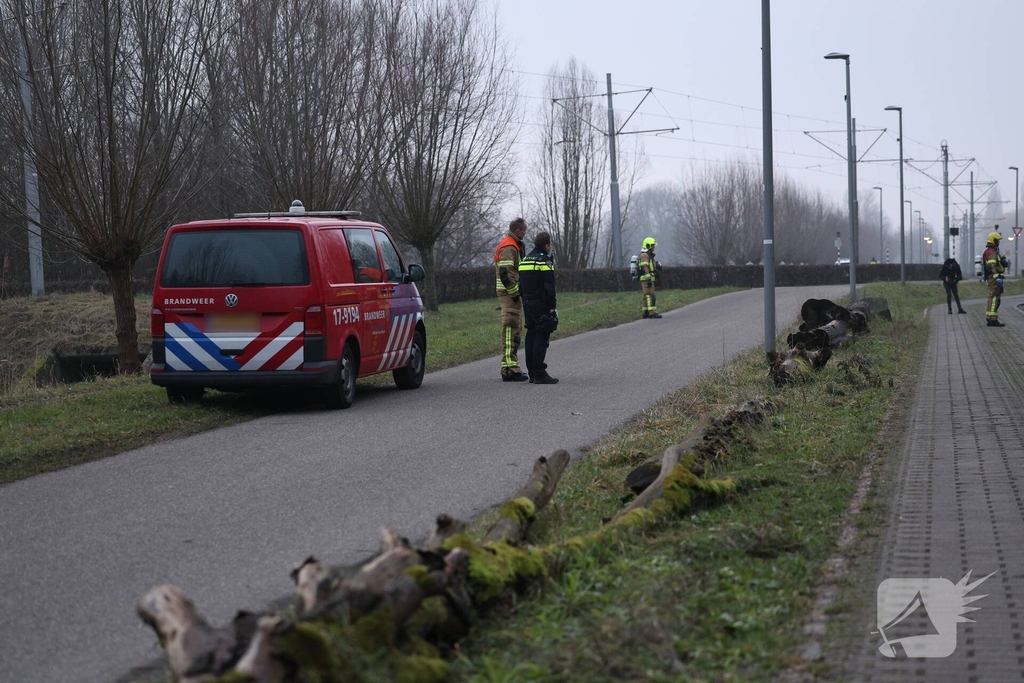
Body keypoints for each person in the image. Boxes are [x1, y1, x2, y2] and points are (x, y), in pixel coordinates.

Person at [519, 231, 558, 384]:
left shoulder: (525, 261)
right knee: (542, 336)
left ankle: (532, 373)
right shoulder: (544, 261)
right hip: (541, 304)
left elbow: (521, 285)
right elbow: (549, 285)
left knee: (531, 336)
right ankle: (540, 372)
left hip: (527, 303)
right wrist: (552, 307)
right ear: (546, 245)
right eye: (550, 245)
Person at [494, 217, 529, 380]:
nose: (525, 233)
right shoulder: (509, 246)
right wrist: (515, 293)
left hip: (510, 294)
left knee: (514, 328)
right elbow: (506, 273)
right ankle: (509, 369)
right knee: (510, 328)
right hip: (509, 294)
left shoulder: (512, 245)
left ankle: (511, 366)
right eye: (524, 230)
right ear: (517, 231)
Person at [983, 231, 1007, 327]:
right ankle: (993, 320)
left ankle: (989, 318)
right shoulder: (992, 252)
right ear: (994, 240)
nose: (999, 242)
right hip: (994, 278)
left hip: (992, 278)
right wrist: (997, 277)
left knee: (991, 298)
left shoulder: (989, 251)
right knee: (994, 299)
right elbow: (992, 266)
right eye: (997, 240)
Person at [638, 237, 663, 319]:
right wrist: (648, 278)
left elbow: (650, 266)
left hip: (647, 278)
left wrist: (656, 266)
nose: (654, 247)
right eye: (653, 245)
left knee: (646, 296)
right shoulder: (645, 255)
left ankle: (645, 313)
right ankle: (652, 313)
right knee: (650, 295)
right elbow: (645, 267)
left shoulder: (648, 255)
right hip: (646, 278)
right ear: (648, 245)